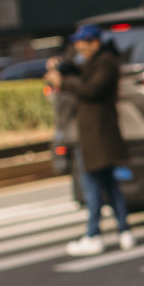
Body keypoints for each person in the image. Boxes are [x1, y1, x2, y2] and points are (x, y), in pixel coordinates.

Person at [45, 25, 135, 257]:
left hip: (98, 135)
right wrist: (62, 66)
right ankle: (124, 230)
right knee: (109, 185)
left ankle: (94, 234)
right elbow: (79, 71)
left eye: (83, 45)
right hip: (97, 134)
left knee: (92, 186)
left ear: (95, 42)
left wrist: (61, 82)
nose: (79, 50)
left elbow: (90, 88)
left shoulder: (105, 63)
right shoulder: (97, 62)